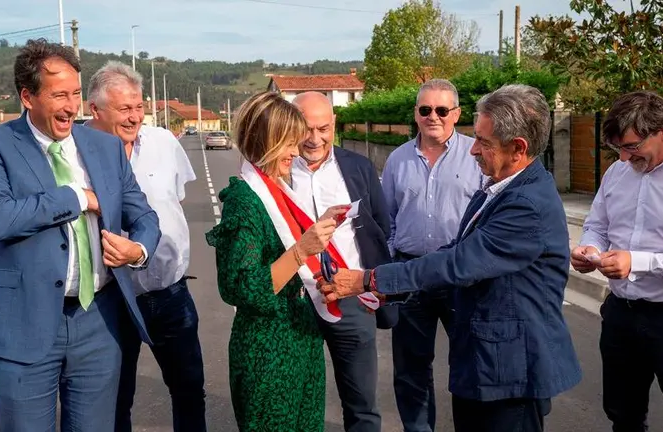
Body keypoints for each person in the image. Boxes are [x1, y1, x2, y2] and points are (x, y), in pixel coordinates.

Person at [318, 84, 582, 432]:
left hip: (509, 373)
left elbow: (461, 262)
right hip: (485, 366)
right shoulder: (498, 186)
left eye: (484, 142)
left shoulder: (526, 205)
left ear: (518, 148)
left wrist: (368, 279)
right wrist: (390, 286)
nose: (472, 150)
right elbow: (455, 248)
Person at [0, 39, 161, 432]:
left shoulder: (104, 147)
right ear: (27, 96)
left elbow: (144, 215)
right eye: (59, 96)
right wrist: (75, 197)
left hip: (98, 321)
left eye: (75, 93)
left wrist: (137, 249)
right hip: (24, 321)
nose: (72, 106)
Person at [206, 91, 344, 432]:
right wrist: (301, 250)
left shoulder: (276, 189)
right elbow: (243, 288)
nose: (296, 152)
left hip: (300, 338)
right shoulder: (243, 200)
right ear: (265, 141)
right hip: (268, 350)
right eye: (289, 144)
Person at [84, 61, 206, 432]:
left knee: (189, 391)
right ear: (95, 110)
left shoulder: (164, 142)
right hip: (112, 300)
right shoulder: (77, 153)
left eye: (139, 107)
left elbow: (175, 202)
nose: (135, 116)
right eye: (124, 109)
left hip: (170, 294)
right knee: (117, 400)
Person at [572, 91, 663, 431]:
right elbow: (596, 226)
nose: (623, 158)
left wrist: (637, 262)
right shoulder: (617, 174)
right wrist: (589, 251)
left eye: (631, 146)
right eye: (617, 149)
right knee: (623, 417)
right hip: (621, 315)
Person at [380, 78, 483, 432]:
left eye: (442, 110)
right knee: (410, 369)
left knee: (469, 364)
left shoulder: (477, 155)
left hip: (460, 277)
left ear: (456, 114)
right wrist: (391, 266)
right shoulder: (397, 160)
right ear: (416, 114)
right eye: (425, 110)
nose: (433, 117)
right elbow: (387, 219)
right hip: (410, 275)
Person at [291, 91, 392, 432]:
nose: (315, 139)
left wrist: (375, 284)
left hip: (349, 299)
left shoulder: (359, 168)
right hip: (293, 303)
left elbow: (382, 229)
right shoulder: (274, 171)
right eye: (306, 129)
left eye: (323, 128)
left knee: (362, 405)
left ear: (334, 124)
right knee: (298, 402)